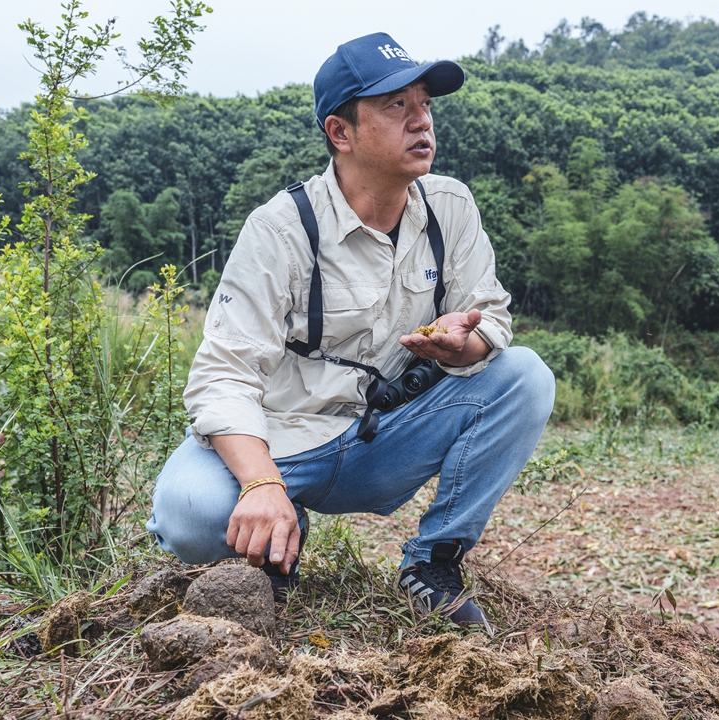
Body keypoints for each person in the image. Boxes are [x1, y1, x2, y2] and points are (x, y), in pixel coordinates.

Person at [146, 32, 555, 630]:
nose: (422, 122)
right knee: (190, 513)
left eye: (426, 105)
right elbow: (222, 374)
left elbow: (490, 314)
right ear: (341, 132)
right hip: (284, 442)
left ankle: (433, 563)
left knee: (525, 375)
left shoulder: (451, 207)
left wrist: (462, 343)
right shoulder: (281, 229)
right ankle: (282, 532)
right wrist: (261, 483)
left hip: (386, 437)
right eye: (397, 107)